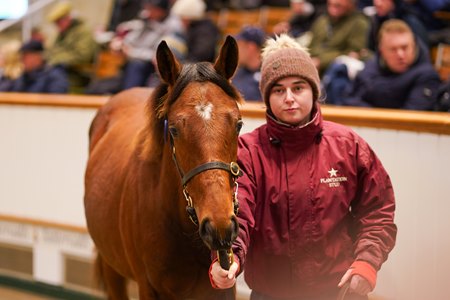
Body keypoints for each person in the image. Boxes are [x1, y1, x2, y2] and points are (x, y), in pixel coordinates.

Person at [209, 34, 397, 300]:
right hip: (271, 292)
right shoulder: (248, 151)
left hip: (340, 290)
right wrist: (228, 257)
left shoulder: (348, 145)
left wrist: (367, 262)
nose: (289, 98)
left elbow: (377, 210)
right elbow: (237, 212)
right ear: (267, 97)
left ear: (313, 91)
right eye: (278, 90)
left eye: (298, 88)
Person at [342, 19, 442, 110]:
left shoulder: (427, 76)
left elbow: (412, 118)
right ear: (382, 51)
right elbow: (348, 100)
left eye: (405, 47)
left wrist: (372, 112)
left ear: (414, 45)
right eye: (393, 49)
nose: (400, 55)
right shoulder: (370, 67)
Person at [112, 0, 183, 89]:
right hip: (136, 58)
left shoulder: (173, 27)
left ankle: (131, 95)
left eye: (151, 9)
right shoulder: (146, 17)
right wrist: (121, 43)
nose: (147, 11)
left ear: (160, 11)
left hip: (156, 66)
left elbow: (157, 55)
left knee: (137, 65)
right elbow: (133, 35)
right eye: (147, 7)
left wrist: (132, 52)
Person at [45, 0, 98, 93]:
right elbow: (52, 51)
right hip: (60, 72)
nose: (57, 25)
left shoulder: (83, 31)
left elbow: (84, 56)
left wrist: (57, 60)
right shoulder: (62, 33)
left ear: (68, 17)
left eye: (59, 21)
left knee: (50, 80)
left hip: (76, 75)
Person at [308, 0, 370, 75]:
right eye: (331, 3)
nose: (334, 3)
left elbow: (354, 54)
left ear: (351, 3)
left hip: (335, 72)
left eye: (339, 4)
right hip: (311, 65)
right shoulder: (322, 20)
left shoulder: (359, 23)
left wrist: (321, 61)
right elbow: (311, 47)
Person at [232, 26, 266, 101]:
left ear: (251, 47)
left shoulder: (268, 74)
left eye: (239, 46)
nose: (236, 51)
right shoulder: (236, 74)